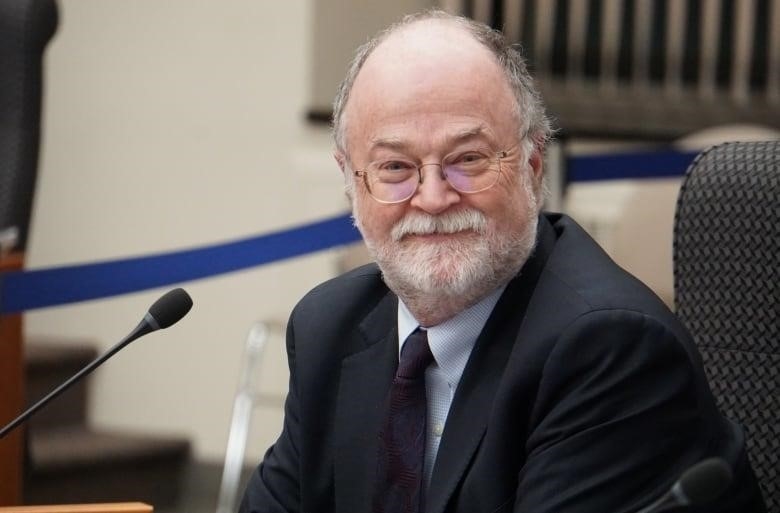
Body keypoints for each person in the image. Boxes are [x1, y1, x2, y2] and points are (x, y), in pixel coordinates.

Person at [240, 10, 766, 513]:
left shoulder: (610, 348)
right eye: (395, 167)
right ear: (351, 183)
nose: (432, 197)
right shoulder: (330, 326)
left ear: (533, 167)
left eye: (468, 159)